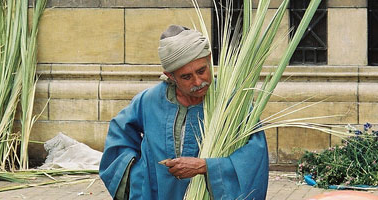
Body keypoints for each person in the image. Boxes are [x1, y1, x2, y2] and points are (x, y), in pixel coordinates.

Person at [99, 25, 269, 200]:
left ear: (209, 59)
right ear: (170, 76)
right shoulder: (148, 101)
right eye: (186, 77)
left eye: (202, 71)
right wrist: (139, 179)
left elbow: (254, 155)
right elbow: (119, 138)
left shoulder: (232, 103)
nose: (198, 81)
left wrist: (206, 167)